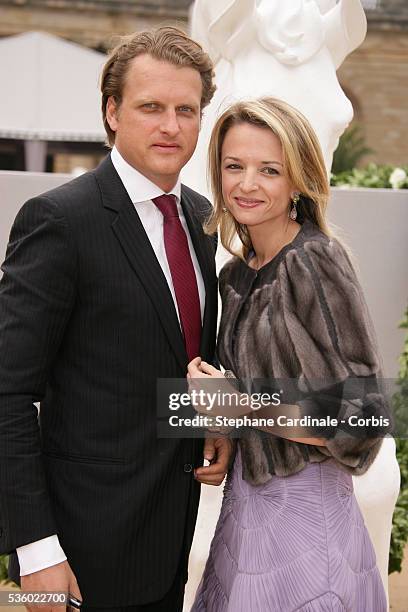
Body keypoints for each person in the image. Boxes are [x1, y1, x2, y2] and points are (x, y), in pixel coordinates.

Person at [0, 27, 233, 612]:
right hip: (77, 551)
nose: (170, 126)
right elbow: (6, 392)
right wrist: (35, 547)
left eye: (187, 110)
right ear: (112, 112)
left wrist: (219, 418)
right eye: (150, 107)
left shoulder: (200, 219)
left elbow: (177, 362)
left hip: (170, 533)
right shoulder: (59, 220)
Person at [188, 98, 389, 611]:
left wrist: (241, 406)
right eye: (234, 166)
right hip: (245, 514)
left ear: (298, 180)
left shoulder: (316, 261)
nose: (247, 184)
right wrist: (221, 427)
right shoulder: (234, 275)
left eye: (269, 170)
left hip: (307, 521)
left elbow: (365, 417)